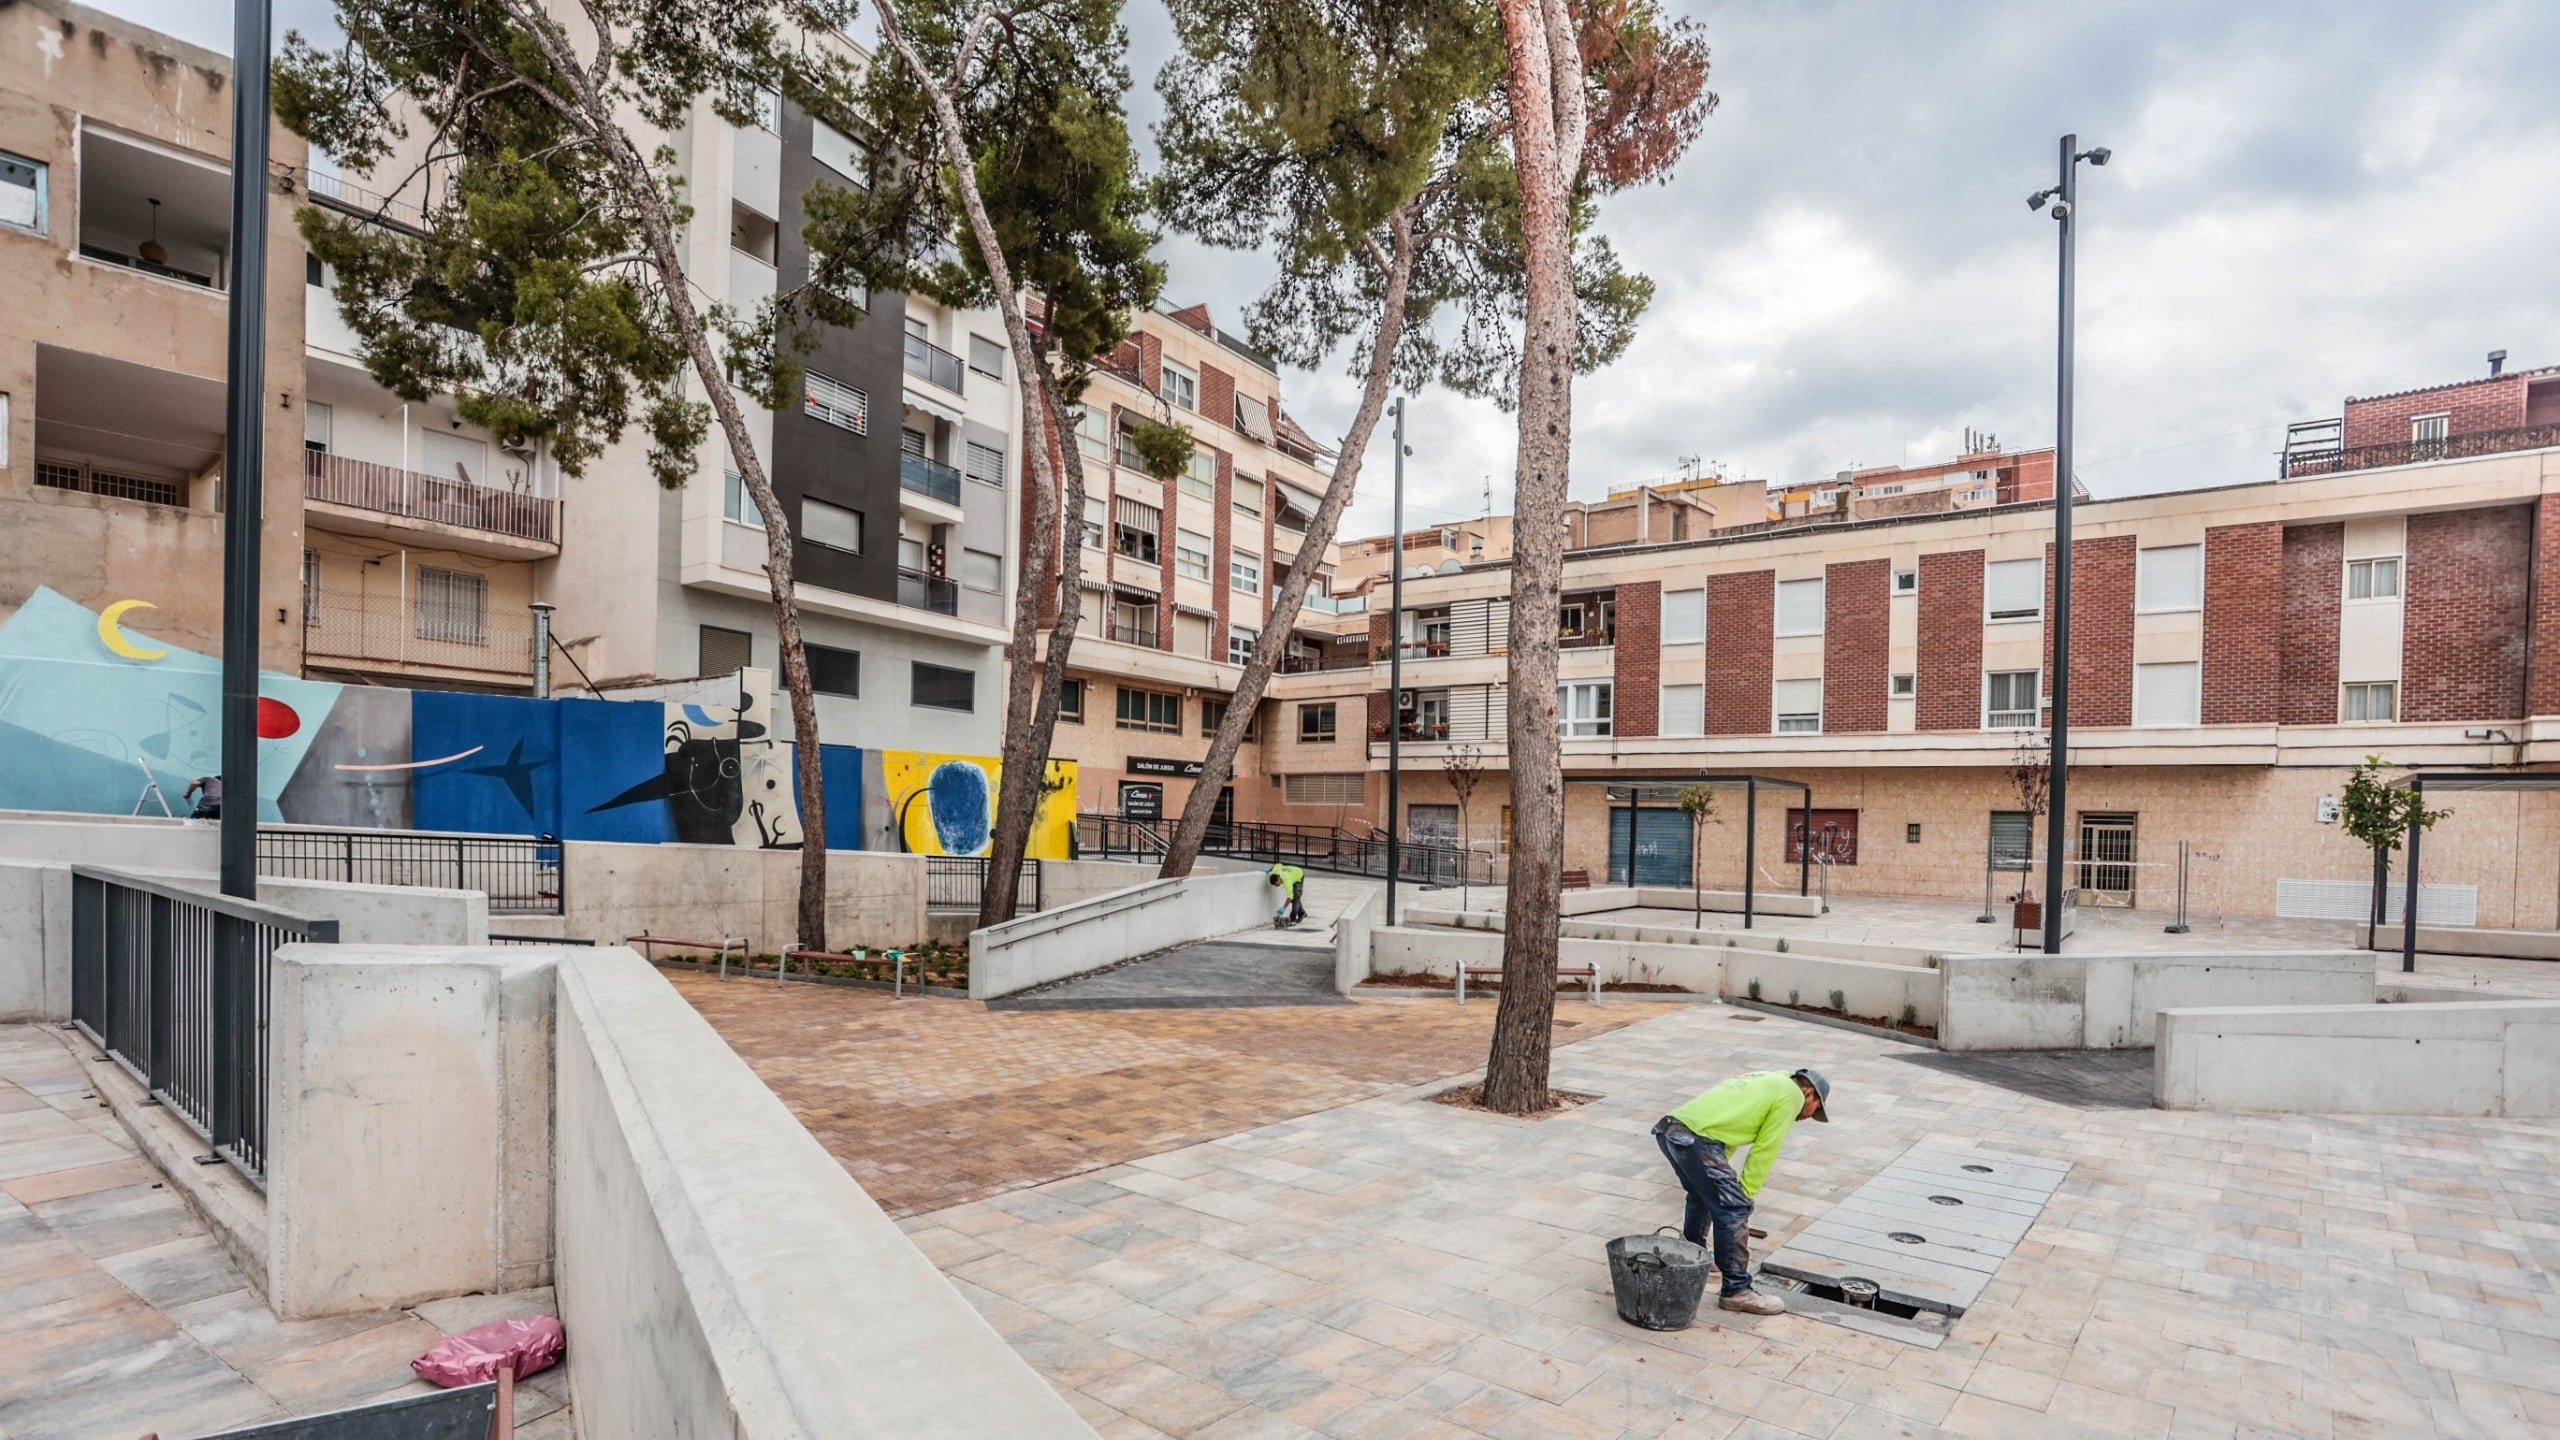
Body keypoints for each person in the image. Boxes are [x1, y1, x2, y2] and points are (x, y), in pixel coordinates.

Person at [1652, 1067, 1830, 1315]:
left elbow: (1728, 1134)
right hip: (1695, 1138)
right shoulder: (1792, 1095)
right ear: (1809, 1092)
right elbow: (1767, 1146)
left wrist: (1725, 1181)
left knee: (1702, 1198)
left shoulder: (1770, 1081)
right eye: (1816, 1109)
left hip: (1670, 1130)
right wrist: (1744, 1193)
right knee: (1734, 1209)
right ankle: (1736, 1291)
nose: (1810, 1116)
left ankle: (1693, 1258)